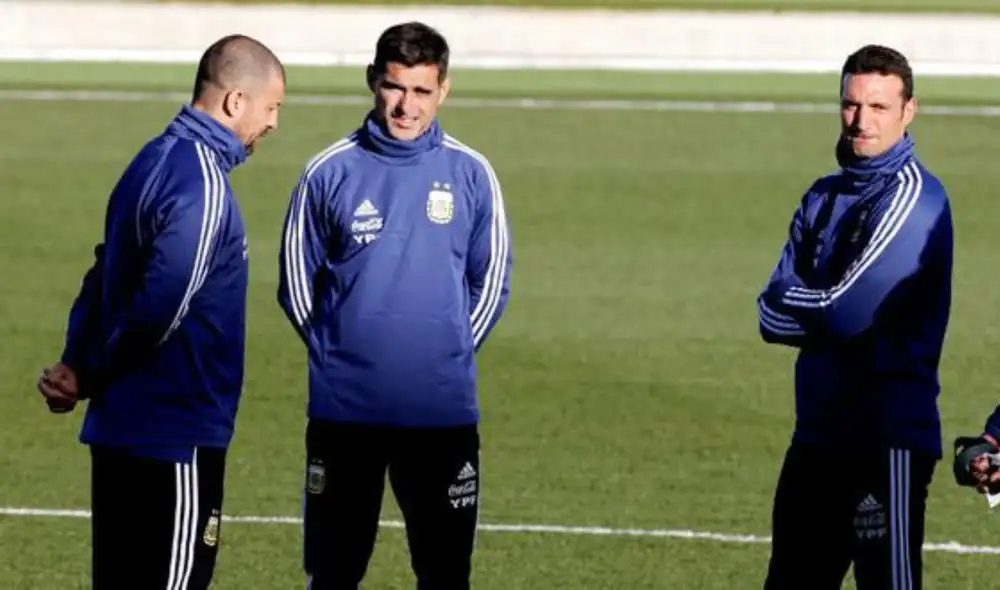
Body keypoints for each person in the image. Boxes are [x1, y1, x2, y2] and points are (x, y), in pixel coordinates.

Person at [36, 34, 285, 589]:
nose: (272, 124)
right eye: (271, 108)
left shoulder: (149, 161)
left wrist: (76, 362)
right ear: (234, 102)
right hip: (173, 436)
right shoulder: (204, 186)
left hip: (121, 429)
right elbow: (161, 308)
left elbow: (102, 275)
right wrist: (91, 373)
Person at [277, 21, 512, 590]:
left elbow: (493, 281)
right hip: (345, 416)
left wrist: (444, 351)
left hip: (440, 414)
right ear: (372, 82)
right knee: (333, 573)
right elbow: (295, 284)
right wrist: (342, 355)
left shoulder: (471, 173)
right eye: (394, 87)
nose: (406, 106)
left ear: (444, 90)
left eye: (422, 91)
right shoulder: (327, 171)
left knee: (445, 573)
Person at [756, 44, 953, 590]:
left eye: (879, 107)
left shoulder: (917, 200)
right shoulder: (822, 195)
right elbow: (767, 311)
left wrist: (813, 305)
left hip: (884, 441)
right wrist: (823, 307)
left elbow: (843, 312)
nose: (861, 121)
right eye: (851, 105)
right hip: (816, 438)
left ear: (908, 111)